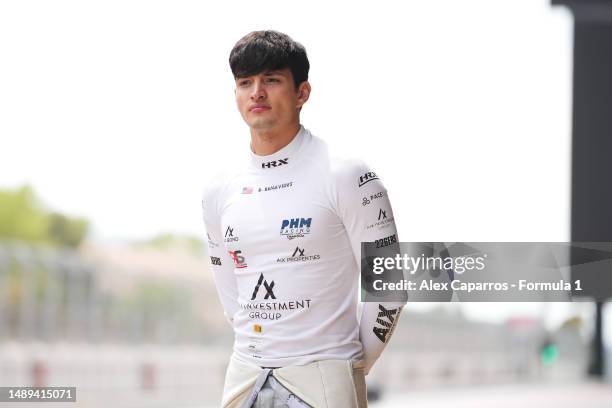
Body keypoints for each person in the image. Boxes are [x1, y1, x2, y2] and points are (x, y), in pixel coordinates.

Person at [202, 30, 406, 408]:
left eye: (272, 80)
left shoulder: (347, 174)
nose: (257, 92)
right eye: (245, 82)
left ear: (302, 93)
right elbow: (231, 295)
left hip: (323, 382)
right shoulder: (219, 189)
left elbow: (390, 287)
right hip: (245, 378)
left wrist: (347, 363)